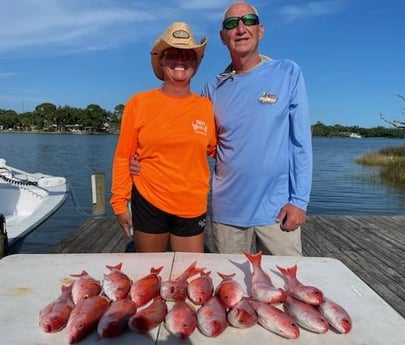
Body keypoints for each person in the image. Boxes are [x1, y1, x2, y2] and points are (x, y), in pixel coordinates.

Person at [131, 1, 312, 256]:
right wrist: (142, 161)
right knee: (231, 292)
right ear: (223, 36)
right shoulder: (212, 89)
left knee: (285, 289)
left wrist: (299, 200)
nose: (240, 28)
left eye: (248, 21)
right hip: (227, 215)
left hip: (278, 211)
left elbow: (301, 143)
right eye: (231, 24)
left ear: (260, 30)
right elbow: (191, 143)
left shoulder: (287, 73)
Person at [110, 22, 216, 253]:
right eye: (173, 54)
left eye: (188, 55)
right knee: (150, 274)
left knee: (189, 277)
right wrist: (119, 203)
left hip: (192, 204)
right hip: (149, 201)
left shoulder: (206, 107)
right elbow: (122, 157)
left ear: (195, 64)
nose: (180, 61)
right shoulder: (139, 103)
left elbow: (220, 150)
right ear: (162, 60)